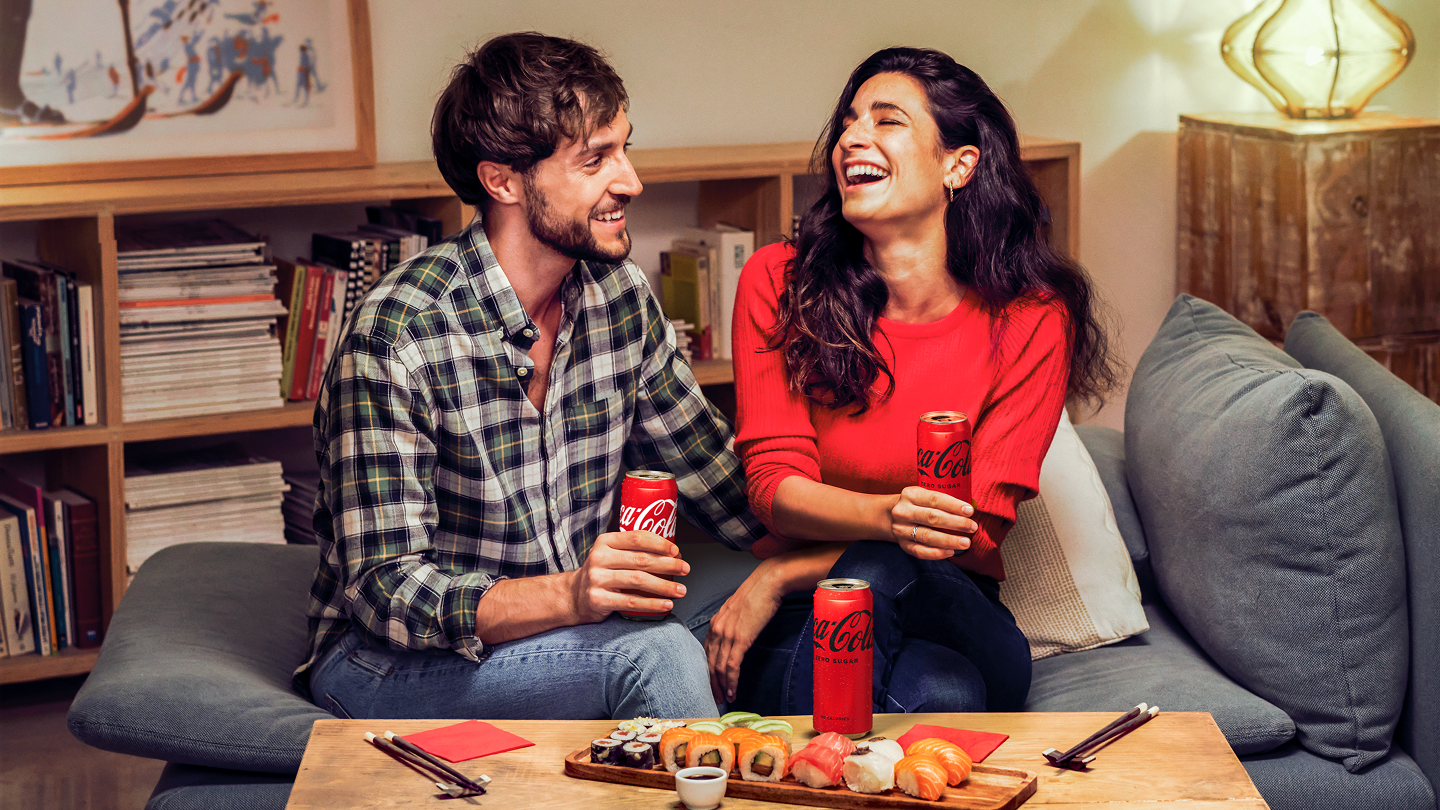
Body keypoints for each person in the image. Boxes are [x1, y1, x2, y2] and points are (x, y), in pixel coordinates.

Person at [298, 32, 767, 721]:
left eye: (625, 148)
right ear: (504, 181)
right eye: (596, 159)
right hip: (392, 661)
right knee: (658, 655)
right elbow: (386, 591)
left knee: (803, 609)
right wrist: (574, 595)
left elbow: (722, 485)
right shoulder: (396, 337)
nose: (630, 181)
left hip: (566, 636)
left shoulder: (620, 297)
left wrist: (853, 532)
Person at [705, 47, 1119, 717]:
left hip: (953, 604)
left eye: (886, 119)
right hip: (810, 617)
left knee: (889, 568)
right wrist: (888, 518)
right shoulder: (777, 281)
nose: (852, 136)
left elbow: (969, 533)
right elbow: (774, 489)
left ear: (959, 164)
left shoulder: (1034, 314)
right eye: (847, 120)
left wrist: (781, 571)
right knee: (941, 697)